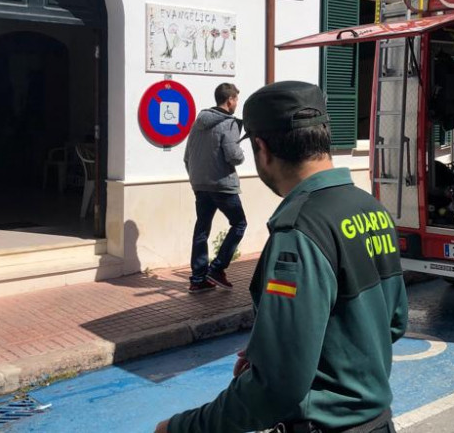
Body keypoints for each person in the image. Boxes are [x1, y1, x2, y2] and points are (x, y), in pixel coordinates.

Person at [156, 81, 408, 433]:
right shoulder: (371, 209)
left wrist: (181, 428)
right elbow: (393, 322)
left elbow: (276, 385)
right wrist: (274, 348)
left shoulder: (299, 231)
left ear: (262, 148)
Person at [183, 82, 247, 293]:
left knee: (202, 228)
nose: (237, 102)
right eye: (236, 99)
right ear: (229, 100)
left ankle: (198, 278)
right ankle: (217, 268)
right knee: (239, 223)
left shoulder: (197, 122)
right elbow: (234, 156)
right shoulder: (228, 124)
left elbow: (186, 157)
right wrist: (242, 152)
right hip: (222, 184)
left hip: (200, 184)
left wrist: (196, 179)